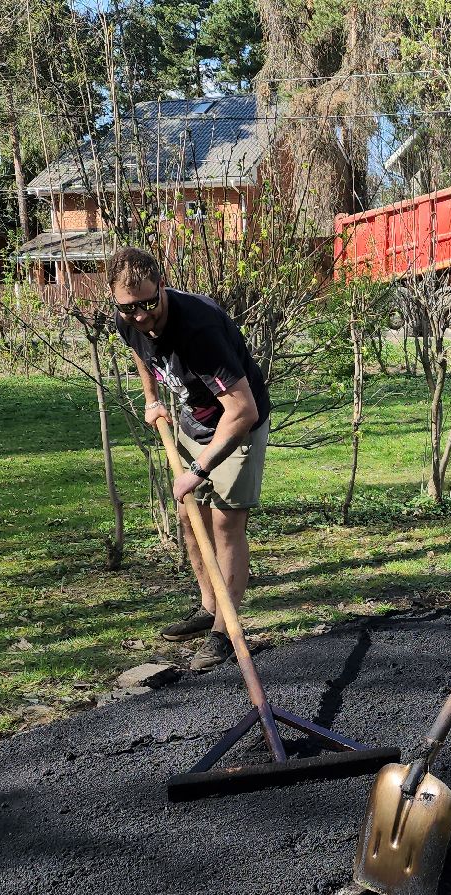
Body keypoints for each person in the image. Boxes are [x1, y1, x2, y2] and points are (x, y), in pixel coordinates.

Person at [107, 247, 272, 673]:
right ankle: (207, 606)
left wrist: (199, 470)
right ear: (115, 300)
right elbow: (142, 353)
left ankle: (224, 630)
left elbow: (244, 411)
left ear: (162, 286)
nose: (140, 315)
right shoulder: (127, 320)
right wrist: (151, 400)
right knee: (188, 517)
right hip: (192, 422)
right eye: (129, 308)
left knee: (225, 525)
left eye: (147, 303)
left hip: (237, 426)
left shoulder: (199, 329)